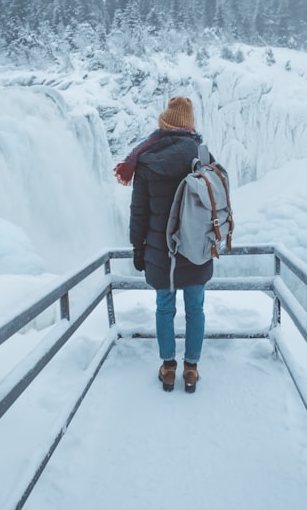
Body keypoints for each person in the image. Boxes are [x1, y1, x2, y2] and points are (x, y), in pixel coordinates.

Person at [114, 96, 211, 393]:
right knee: (195, 309)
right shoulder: (202, 154)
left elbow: (139, 211)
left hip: (161, 250)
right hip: (195, 250)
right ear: (189, 125)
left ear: (164, 124)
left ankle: (168, 368)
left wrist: (138, 248)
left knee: (164, 308)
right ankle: (191, 369)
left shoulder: (146, 158)